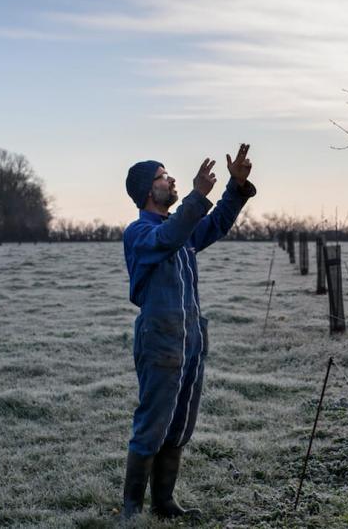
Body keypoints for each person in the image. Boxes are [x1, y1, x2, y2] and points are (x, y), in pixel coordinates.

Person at [120, 144, 256, 518]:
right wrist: (197, 196)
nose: (171, 179)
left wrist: (235, 187)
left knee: (181, 422)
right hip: (160, 338)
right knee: (153, 422)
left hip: (191, 339)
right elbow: (168, 238)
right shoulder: (140, 233)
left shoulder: (182, 232)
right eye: (163, 176)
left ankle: (163, 502)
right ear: (149, 190)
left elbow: (215, 224)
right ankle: (131, 510)